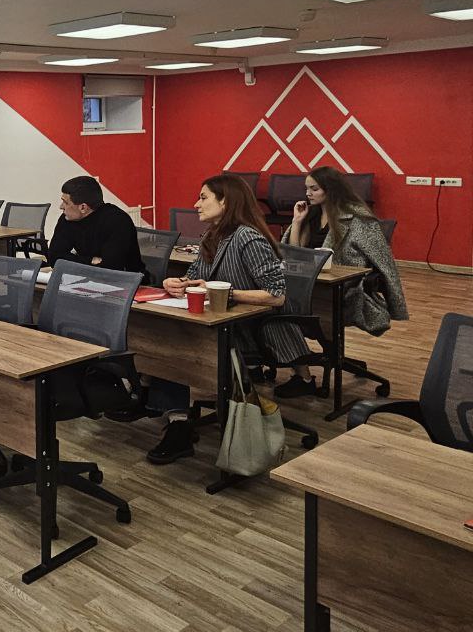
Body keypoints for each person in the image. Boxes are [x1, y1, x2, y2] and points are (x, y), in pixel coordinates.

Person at [147, 174, 287, 464]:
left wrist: (226, 292)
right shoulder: (213, 234)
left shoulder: (248, 237)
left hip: (249, 330)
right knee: (160, 337)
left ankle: (177, 422)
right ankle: (177, 420)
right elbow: (196, 276)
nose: (196, 204)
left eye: (203, 197)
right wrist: (179, 283)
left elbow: (276, 295)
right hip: (216, 322)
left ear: (225, 201)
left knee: (169, 345)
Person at [276, 165, 408, 396]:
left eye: (314, 189)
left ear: (330, 189)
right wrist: (296, 222)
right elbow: (294, 253)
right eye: (307, 188)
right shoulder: (311, 214)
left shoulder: (358, 219)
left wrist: (393, 300)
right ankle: (304, 364)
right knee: (276, 307)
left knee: (284, 312)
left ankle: (304, 372)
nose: (308, 193)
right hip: (310, 287)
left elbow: (384, 262)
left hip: (344, 291)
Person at [46, 176, 147, 279]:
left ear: (83, 207)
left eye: (66, 202)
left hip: (129, 281)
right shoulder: (68, 218)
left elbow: (110, 269)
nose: (61, 207)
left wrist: (75, 261)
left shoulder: (117, 221)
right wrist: (91, 260)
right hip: (89, 279)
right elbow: (54, 258)